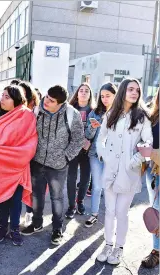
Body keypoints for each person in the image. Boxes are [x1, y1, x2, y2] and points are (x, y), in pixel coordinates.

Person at [96, 78, 152, 265]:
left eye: (137, 90)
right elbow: (100, 139)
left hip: (129, 173)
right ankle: (108, 244)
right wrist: (104, 156)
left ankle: (119, 247)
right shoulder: (111, 113)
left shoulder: (142, 116)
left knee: (121, 212)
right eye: (130, 89)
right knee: (109, 211)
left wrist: (133, 162)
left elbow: (147, 144)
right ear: (122, 91)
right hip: (110, 170)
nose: (134, 92)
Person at [21, 85, 84, 245]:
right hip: (37, 161)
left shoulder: (71, 114)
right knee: (36, 196)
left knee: (56, 198)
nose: (46, 101)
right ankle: (37, 224)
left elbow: (78, 140)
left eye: (51, 100)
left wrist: (65, 157)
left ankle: (57, 229)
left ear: (60, 104)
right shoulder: (36, 111)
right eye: (47, 97)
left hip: (58, 165)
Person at [0, 85, 34, 246]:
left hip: (19, 165)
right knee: (3, 198)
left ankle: (14, 228)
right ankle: (2, 227)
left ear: (16, 100)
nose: (2, 99)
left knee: (15, 199)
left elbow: (31, 141)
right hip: (1, 166)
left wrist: (16, 155)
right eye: (2, 95)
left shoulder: (27, 116)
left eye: (6, 96)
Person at [84, 83, 117, 228]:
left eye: (108, 96)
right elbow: (87, 135)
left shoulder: (120, 113)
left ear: (115, 96)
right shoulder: (94, 112)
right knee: (97, 187)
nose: (104, 99)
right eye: (102, 96)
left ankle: (113, 216)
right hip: (95, 155)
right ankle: (94, 214)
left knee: (111, 187)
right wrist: (92, 127)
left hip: (114, 156)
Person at [66, 83, 96, 219]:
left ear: (90, 95)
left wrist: (90, 142)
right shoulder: (70, 109)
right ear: (77, 93)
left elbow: (99, 130)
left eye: (86, 91)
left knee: (85, 179)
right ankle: (71, 206)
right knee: (71, 178)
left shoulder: (94, 111)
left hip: (87, 151)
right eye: (81, 90)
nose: (83, 93)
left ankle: (80, 202)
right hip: (73, 149)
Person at [18, 81, 40, 227]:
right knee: (16, 186)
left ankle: (29, 212)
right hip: (17, 155)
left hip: (33, 154)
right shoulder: (14, 111)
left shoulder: (36, 111)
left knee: (31, 185)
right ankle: (14, 216)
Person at [142, 90, 159, 269]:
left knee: (157, 210)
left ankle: (156, 251)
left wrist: (153, 153)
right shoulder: (152, 116)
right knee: (155, 210)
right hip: (151, 171)